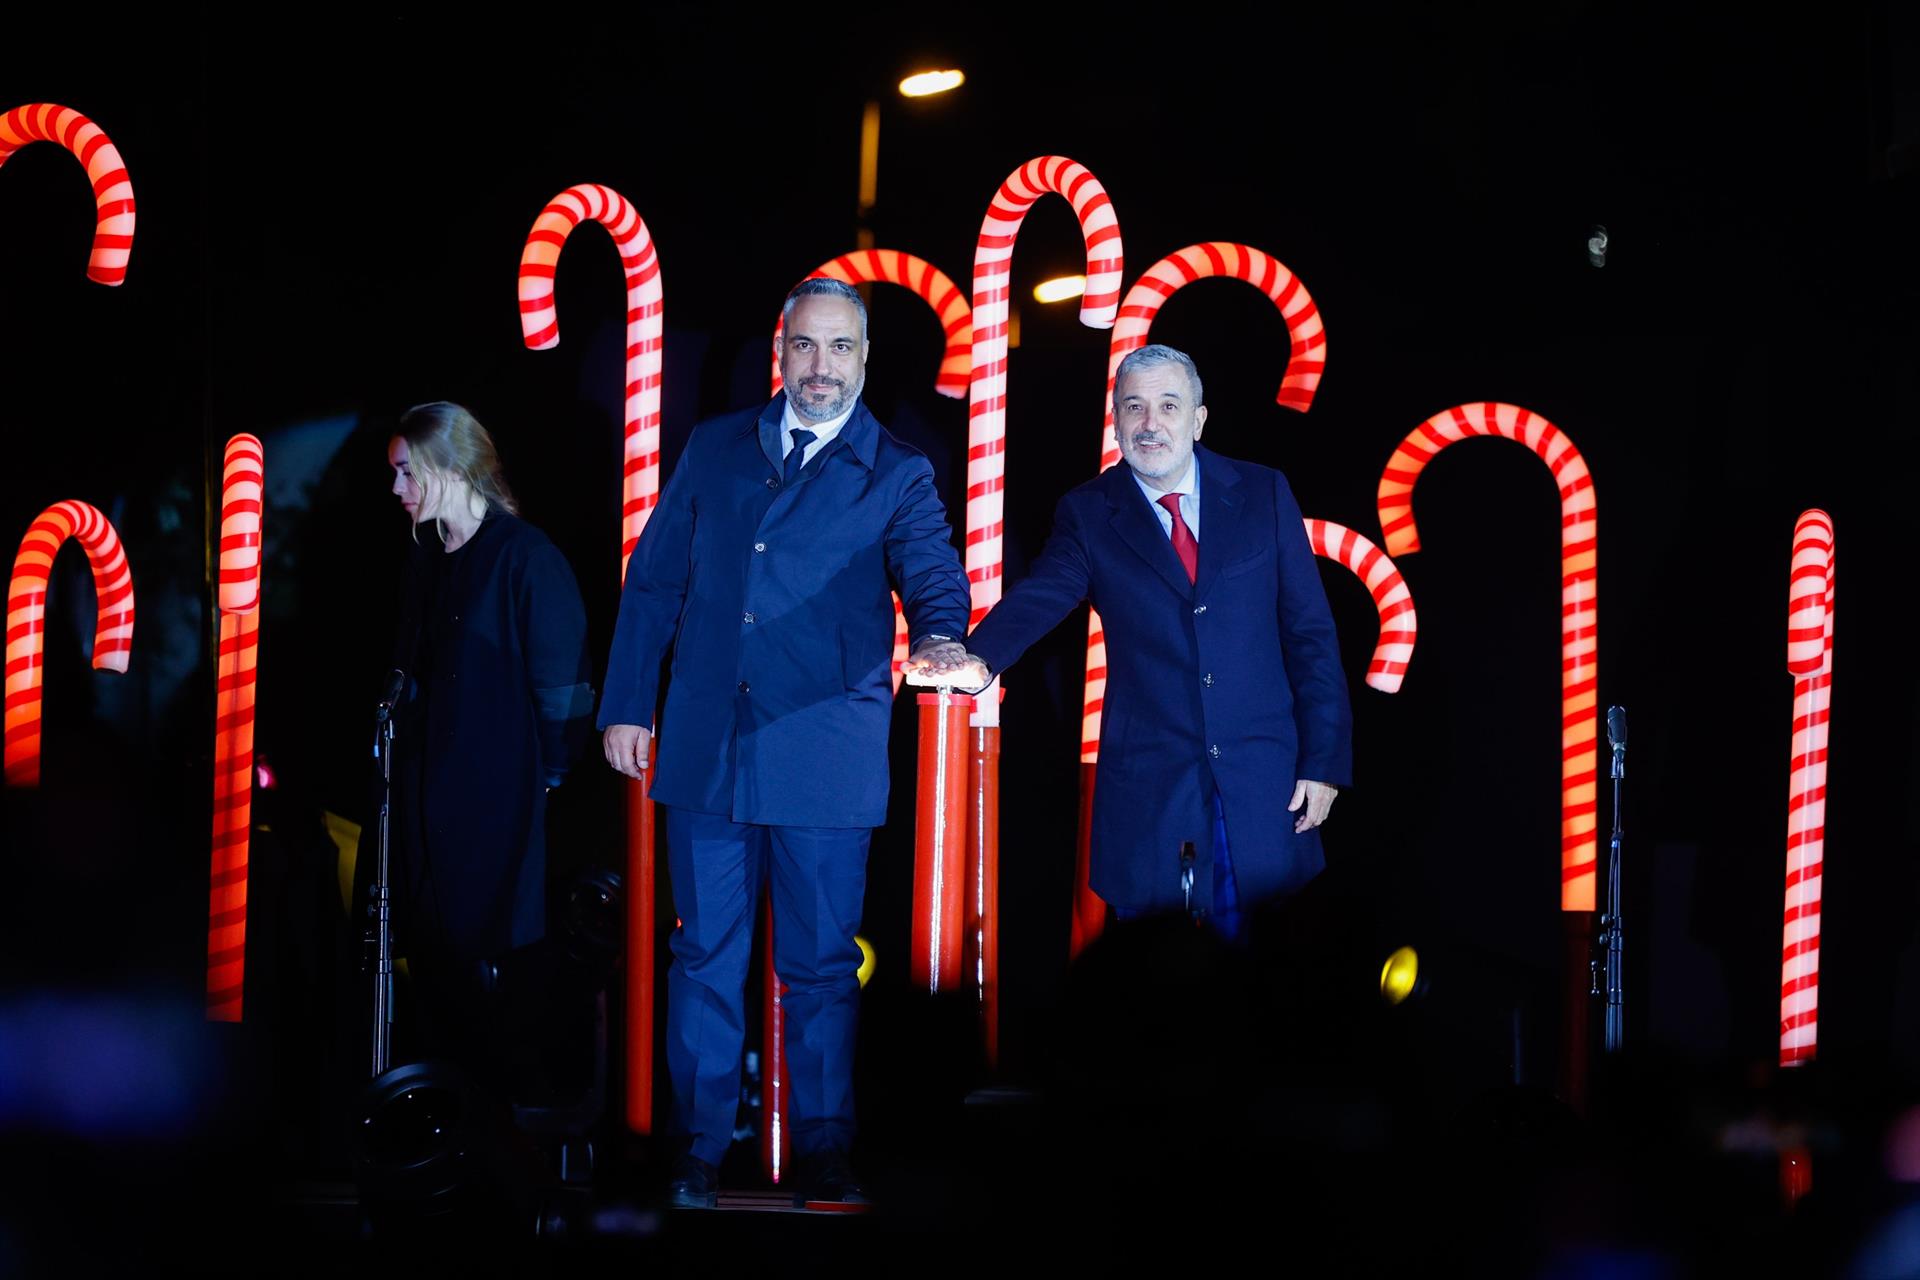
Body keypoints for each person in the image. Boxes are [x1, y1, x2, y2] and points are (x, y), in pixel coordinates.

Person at [598, 279, 974, 1208]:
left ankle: (826, 1148)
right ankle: (695, 1150)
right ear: (781, 352)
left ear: (864, 358)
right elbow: (652, 585)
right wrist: (626, 704)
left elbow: (932, 575)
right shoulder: (716, 447)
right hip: (708, 744)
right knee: (704, 957)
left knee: (818, 966)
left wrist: (937, 638)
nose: (820, 366)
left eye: (839, 348)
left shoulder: (897, 469)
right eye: (805, 347)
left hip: (823, 750)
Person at [942, 344, 1352, 941]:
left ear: (1199, 418)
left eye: (1167, 406)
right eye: (1134, 407)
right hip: (1157, 797)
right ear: (1115, 420)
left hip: (1268, 789)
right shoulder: (1088, 513)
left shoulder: (1264, 493)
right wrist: (977, 654)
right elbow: (1043, 595)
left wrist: (1324, 761)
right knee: (1166, 998)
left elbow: (1310, 634)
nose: (1150, 424)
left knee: (1271, 996)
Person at [382, 401, 594, 1092]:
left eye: (408, 471)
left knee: (492, 974)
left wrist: (554, 772)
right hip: (426, 800)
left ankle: (502, 1127)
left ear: (448, 466)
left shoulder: (524, 557)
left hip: (496, 801)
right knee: (438, 975)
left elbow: (563, 683)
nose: (398, 489)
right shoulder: (427, 563)